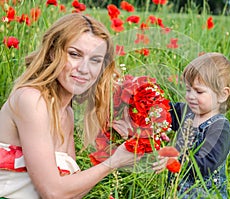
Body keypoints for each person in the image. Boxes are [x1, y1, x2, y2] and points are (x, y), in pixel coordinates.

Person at [0, 13, 139, 199]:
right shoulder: (31, 99)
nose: (84, 69)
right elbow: (53, 192)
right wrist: (114, 162)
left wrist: (117, 148)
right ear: (52, 52)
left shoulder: (67, 114)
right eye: (74, 54)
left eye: (95, 60)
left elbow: (71, 194)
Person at [153, 52, 230, 198]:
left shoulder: (219, 128)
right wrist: (150, 101)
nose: (191, 96)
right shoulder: (187, 112)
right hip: (176, 192)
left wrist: (176, 162)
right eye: (188, 90)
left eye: (199, 91)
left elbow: (207, 164)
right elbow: (167, 112)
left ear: (222, 95)